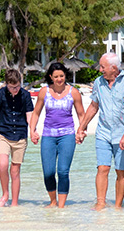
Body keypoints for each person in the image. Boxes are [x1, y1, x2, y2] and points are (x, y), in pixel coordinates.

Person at [76, 52, 124, 211]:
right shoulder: (98, 82)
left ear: (114, 68)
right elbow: (93, 106)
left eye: (103, 67)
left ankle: (118, 206)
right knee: (102, 168)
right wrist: (82, 126)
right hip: (103, 133)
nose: (100, 69)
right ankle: (101, 203)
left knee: (121, 171)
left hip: (122, 134)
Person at [30, 61, 86, 208]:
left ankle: (61, 206)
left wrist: (81, 131)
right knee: (48, 172)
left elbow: (81, 114)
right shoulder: (44, 92)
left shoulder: (73, 92)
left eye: (62, 76)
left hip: (67, 135)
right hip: (48, 135)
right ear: (51, 77)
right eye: (56, 76)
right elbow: (36, 113)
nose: (60, 79)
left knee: (62, 171)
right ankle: (52, 201)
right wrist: (32, 130)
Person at [0, 68, 33, 207]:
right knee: (3, 165)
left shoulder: (25, 95)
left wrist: (33, 131)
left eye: (18, 86)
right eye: (13, 87)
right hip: (4, 133)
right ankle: (5, 194)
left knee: (15, 170)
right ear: (6, 83)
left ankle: (14, 203)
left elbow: (29, 114)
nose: (16, 89)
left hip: (20, 135)